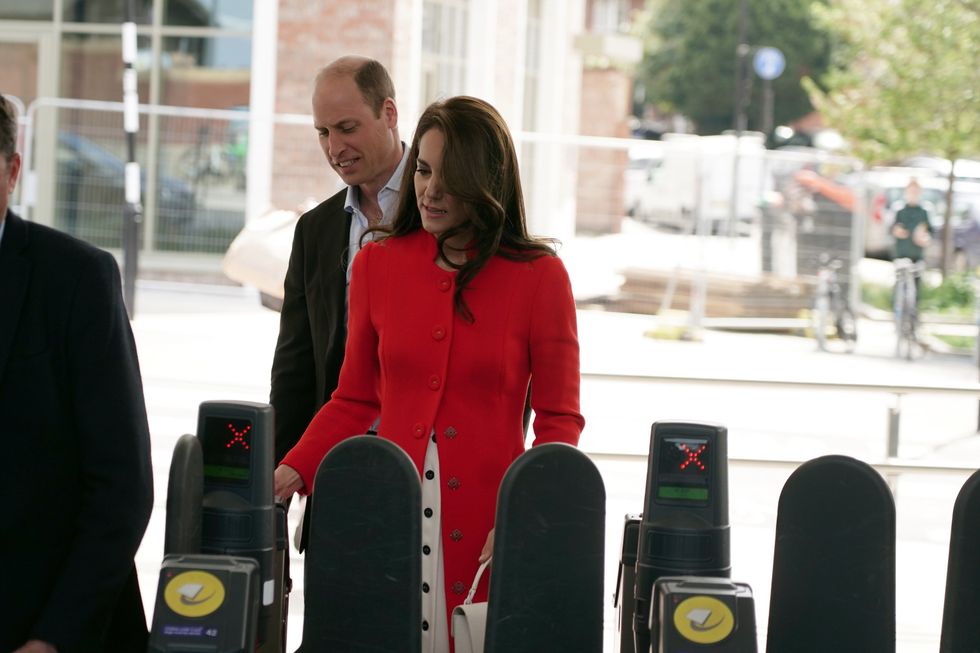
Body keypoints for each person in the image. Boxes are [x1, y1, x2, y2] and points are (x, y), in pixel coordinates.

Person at [274, 96, 584, 652]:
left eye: (450, 175)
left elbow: (560, 420)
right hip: (389, 515)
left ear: (486, 180)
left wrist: (525, 516)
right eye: (422, 169)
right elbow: (354, 399)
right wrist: (291, 470)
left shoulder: (540, 276)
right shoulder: (377, 264)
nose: (430, 189)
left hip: (492, 525)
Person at [0, 94, 154, 652]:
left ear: (13, 170)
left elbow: (122, 486)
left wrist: (53, 639)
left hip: (48, 625)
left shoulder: (76, 280)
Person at [269, 56, 407, 549]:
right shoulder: (317, 228)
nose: (335, 148)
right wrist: (280, 476)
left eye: (347, 128)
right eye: (323, 132)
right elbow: (296, 362)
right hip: (335, 465)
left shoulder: (445, 208)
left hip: (428, 472)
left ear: (389, 113)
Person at [891, 178, 933, 313]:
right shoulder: (900, 211)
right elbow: (891, 228)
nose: (913, 194)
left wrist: (925, 237)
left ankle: (914, 317)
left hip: (916, 255)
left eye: (915, 192)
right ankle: (897, 315)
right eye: (910, 192)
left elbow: (930, 232)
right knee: (899, 285)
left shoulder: (924, 212)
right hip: (902, 254)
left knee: (916, 288)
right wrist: (896, 231)